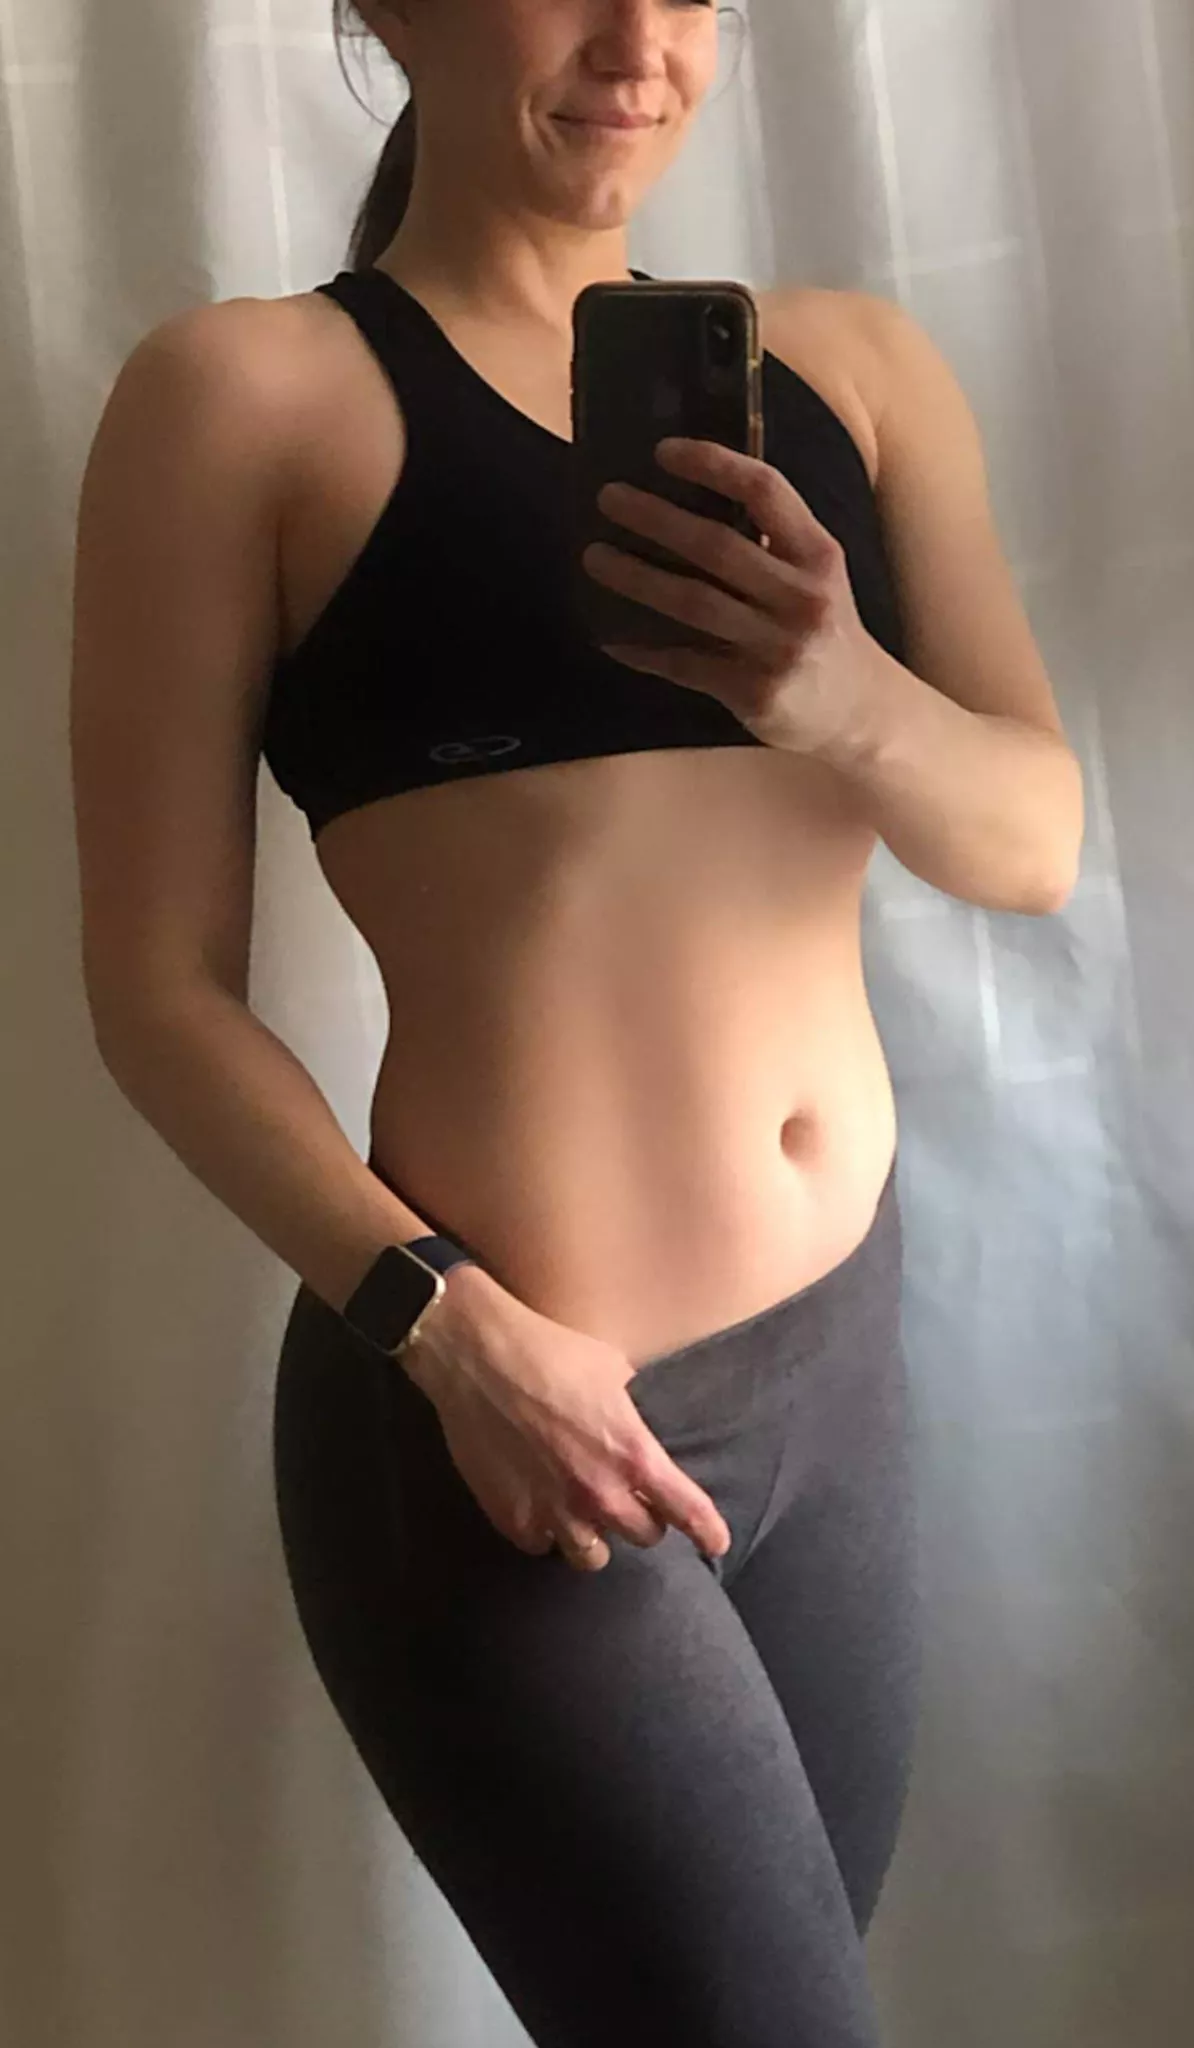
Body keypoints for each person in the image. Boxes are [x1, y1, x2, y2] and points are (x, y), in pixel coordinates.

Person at [70, 2, 1085, 2042]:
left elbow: (1035, 841)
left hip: (839, 1385)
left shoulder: (858, 375)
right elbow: (156, 995)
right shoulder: (247, 399)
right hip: (510, 1410)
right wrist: (450, 1332)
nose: (641, 41)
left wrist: (840, 694)